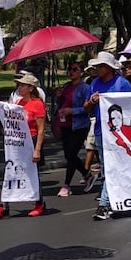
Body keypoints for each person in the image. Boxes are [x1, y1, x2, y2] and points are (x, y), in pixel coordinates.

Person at [0, 74, 48, 219]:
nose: (19, 88)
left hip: (31, 142)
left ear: (31, 88)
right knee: (10, 171)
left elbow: (41, 129)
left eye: (22, 85)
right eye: (18, 85)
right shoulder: (19, 102)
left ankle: (39, 203)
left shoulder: (38, 104)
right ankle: (3, 205)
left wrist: (37, 150)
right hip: (17, 143)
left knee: (31, 174)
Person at [90, 51, 131, 220]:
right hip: (101, 132)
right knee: (106, 168)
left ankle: (104, 203)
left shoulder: (122, 84)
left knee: (112, 168)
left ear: (109, 68)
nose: (98, 69)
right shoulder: (94, 83)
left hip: (118, 133)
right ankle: (115, 200)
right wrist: (92, 101)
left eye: (101, 66)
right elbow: (86, 106)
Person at [54, 60, 92, 196]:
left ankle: (67, 184)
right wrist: (58, 97)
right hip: (65, 124)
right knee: (68, 154)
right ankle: (87, 174)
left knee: (71, 154)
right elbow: (61, 104)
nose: (71, 72)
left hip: (79, 125)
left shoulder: (85, 88)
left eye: (75, 69)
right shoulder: (66, 86)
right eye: (70, 69)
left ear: (81, 72)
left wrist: (72, 111)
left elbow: (87, 108)